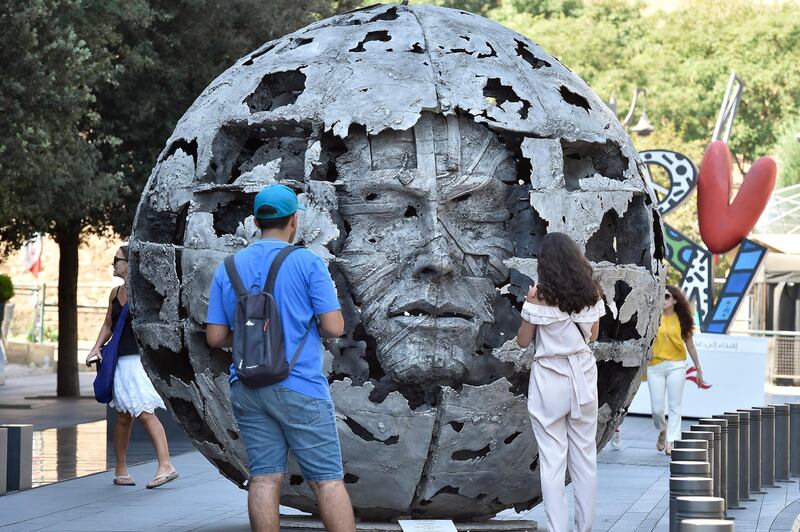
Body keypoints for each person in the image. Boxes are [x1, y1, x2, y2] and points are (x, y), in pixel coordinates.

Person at [206, 184, 355, 532]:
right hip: (299, 385)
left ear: (256, 221)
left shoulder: (229, 267)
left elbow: (215, 337)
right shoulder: (306, 262)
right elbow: (334, 327)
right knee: (327, 481)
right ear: (295, 221)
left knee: (263, 479)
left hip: (247, 387)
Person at [517, 232, 605, 532]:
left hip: (549, 379)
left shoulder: (539, 296)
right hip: (582, 375)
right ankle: (585, 528)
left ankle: (558, 530)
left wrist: (531, 307)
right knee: (585, 459)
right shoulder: (591, 292)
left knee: (552, 462)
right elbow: (592, 336)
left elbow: (522, 341)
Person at [86, 245, 178, 488]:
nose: (113, 263)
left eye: (117, 259)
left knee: (145, 412)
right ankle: (121, 469)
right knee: (123, 417)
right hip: (119, 360)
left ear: (129, 263)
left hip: (137, 361)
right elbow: (108, 324)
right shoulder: (115, 293)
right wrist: (96, 347)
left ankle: (166, 465)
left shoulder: (143, 292)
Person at [648, 284, 704, 455]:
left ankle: (671, 441)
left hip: (676, 366)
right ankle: (663, 430)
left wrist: (698, 368)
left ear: (674, 300)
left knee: (674, 406)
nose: (663, 300)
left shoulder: (683, 319)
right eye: (661, 296)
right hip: (655, 366)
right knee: (657, 409)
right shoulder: (652, 316)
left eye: (666, 296)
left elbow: (691, 346)